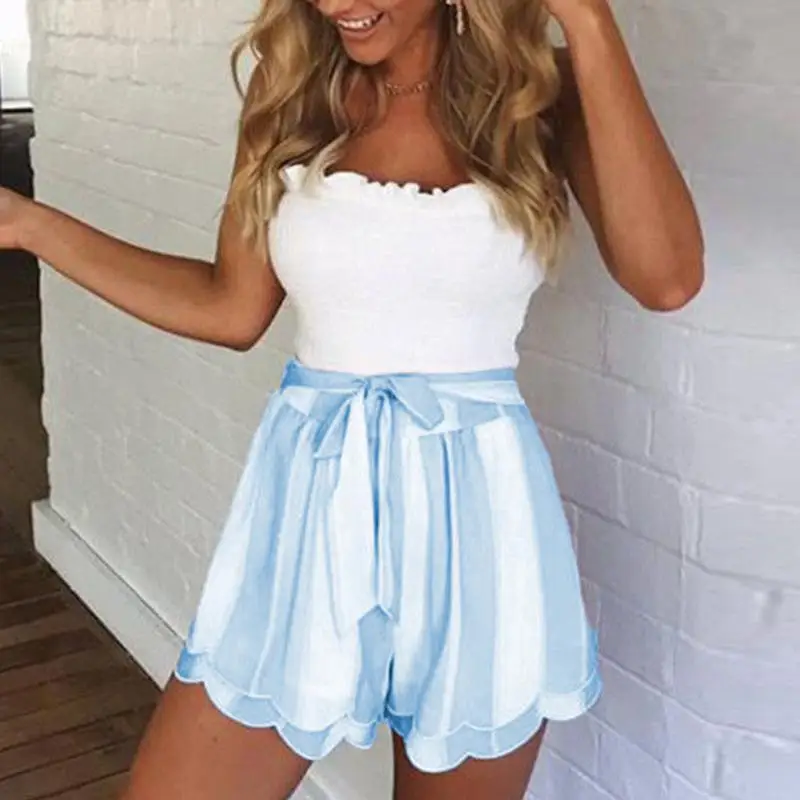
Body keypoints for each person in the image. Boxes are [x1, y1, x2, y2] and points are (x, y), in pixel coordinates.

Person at [0, 0, 704, 798]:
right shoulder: (292, 86)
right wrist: (26, 224)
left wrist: (588, 19)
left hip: (477, 520)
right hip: (310, 505)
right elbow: (230, 308)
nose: (336, 4)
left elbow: (666, 277)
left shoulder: (542, 89)